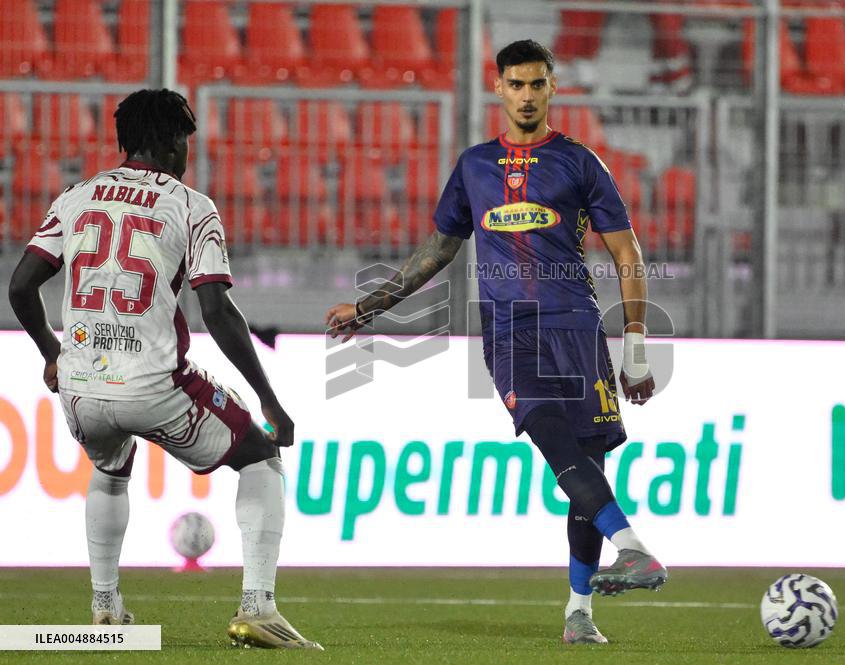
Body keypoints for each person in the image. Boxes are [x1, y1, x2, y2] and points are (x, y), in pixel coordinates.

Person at [326, 40, 665, 645]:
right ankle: (633, 547)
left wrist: (636, 345)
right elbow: (438, 250)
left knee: (588, 466)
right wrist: (372, 305)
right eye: (516, 85)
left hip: (578, 326)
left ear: (553, 87)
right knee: (551, 434)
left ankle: (579, 612)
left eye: (537, 84)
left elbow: (627, 253)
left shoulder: (581, 163)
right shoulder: (474, 166)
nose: (527, 95)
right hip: (512, 332)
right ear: (499, 88)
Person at [7, 89, 321, 650]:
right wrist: (270, 403)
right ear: (174, 143)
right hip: (153, 383)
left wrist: (50, 354)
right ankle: (259, 608)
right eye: (186, 142)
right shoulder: (189, 205)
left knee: (110, 467)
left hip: (80, 387)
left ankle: (105, 613)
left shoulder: (76, 197)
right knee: (260, 456)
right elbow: (218, 311)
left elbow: (21, 286)